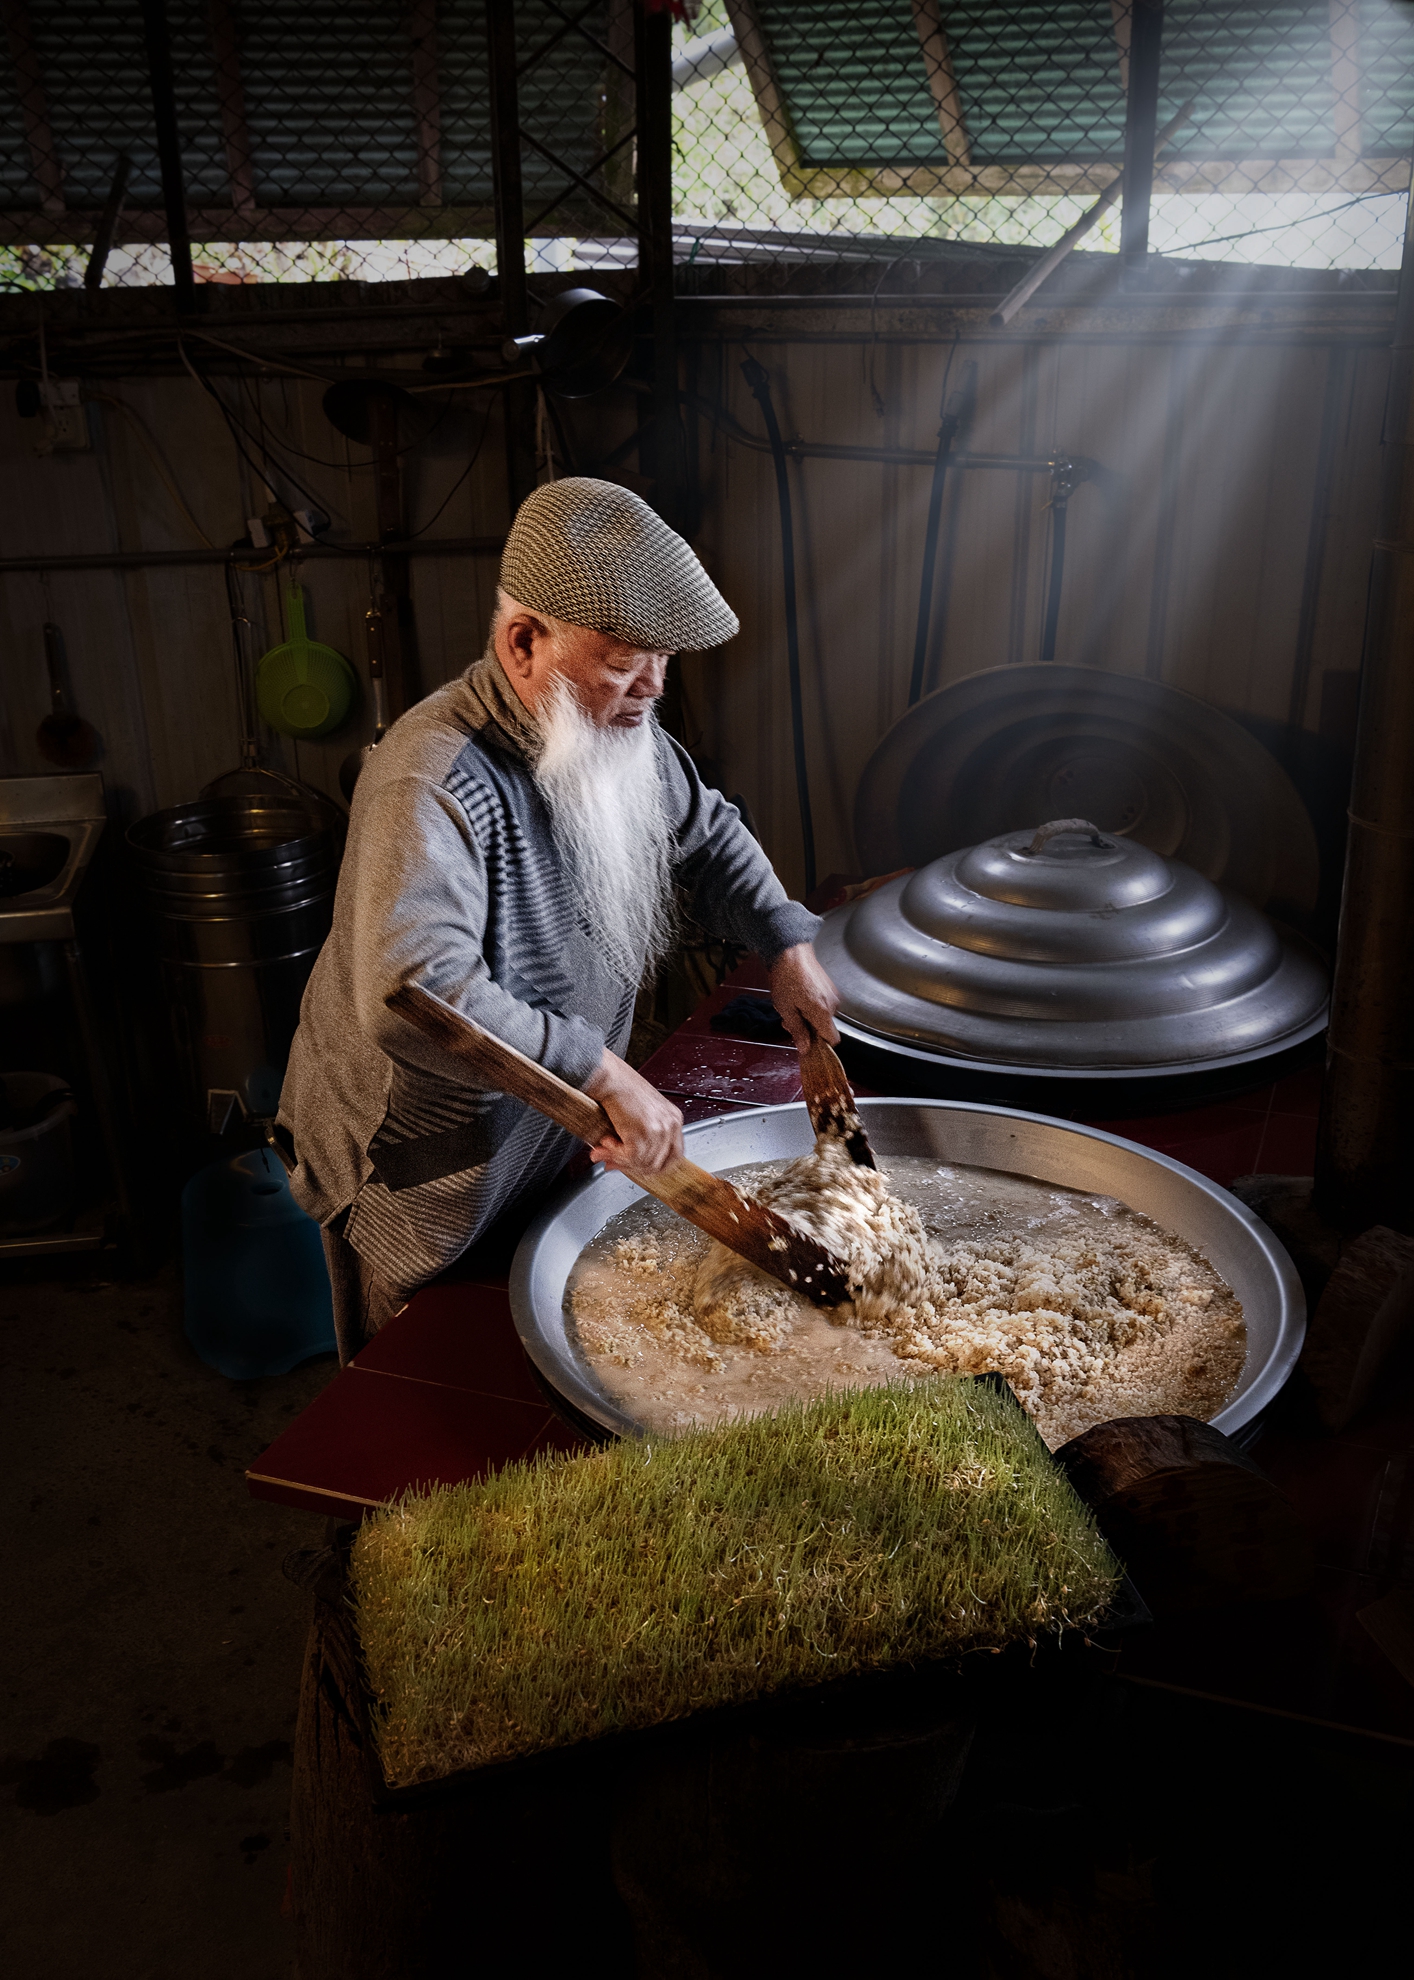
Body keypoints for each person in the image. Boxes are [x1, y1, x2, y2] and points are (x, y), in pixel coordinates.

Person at [279, 476, 840, 1361]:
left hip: (545, 1122)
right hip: (424, 1163)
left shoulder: (616, 725)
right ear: (523, 642)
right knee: (425, 1377)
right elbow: (412, 992)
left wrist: (784, 940)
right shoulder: (429, 780)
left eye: (662, 660)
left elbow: (707, 831)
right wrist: (601, 1070)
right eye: (622, 660)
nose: (651, 688)